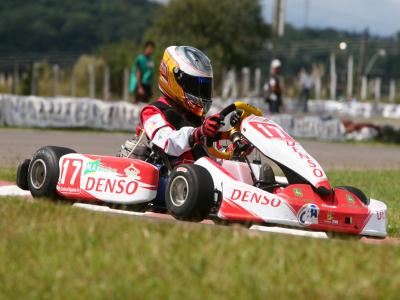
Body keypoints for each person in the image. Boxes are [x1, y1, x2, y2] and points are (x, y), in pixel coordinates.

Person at [140, 45, 224, 165]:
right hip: (169, 179)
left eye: (204, 87)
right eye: (194, 86)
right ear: (173, 78)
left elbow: (213, 153)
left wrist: (234, 148)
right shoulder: (152, 111)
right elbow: (168, 142)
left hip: (197, 177)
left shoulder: (195, 117)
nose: (199, 92)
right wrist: (198, 133)